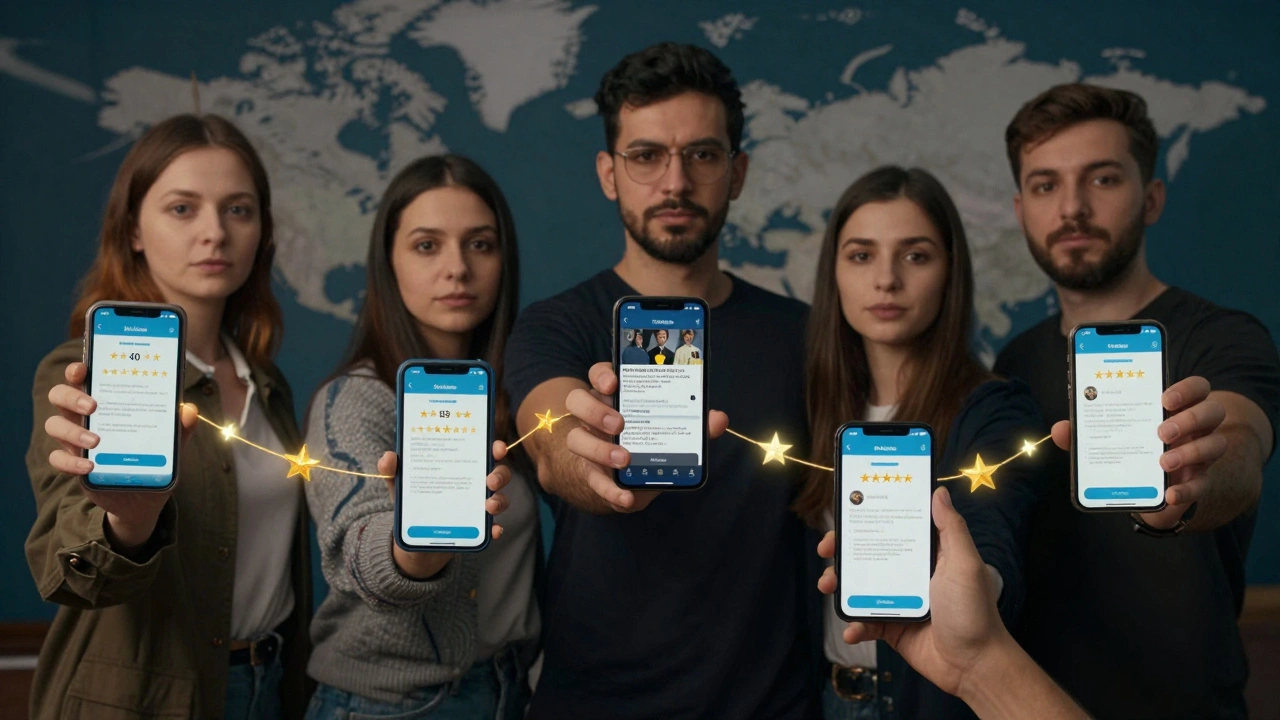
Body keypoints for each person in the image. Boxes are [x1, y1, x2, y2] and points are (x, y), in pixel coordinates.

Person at [501, 42, 819, 718]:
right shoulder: (552, 326)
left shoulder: (807, 335)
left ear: (736, 173)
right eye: (645, 156)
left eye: (702, 155)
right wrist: (600, 464)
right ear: (608, 173)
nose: (674, 183)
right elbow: (550, 442)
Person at [993, 83, 1279, 719]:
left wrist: (1192, 478)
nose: (1072, 208)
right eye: (1045, 186)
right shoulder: (1013, 362)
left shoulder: (1224, 337)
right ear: (1020, 209)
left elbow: (1239, 445)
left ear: (1151, 198)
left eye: (1102, 180)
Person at [26, 114, 313, 719]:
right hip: (140, 702)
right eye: (182, 209)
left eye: (238, 210)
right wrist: (127, 525)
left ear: (262, 231)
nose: (214, 232)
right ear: (133, 229)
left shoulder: (269, 384)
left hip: (271, 684)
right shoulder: (78, 374)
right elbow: (68, 573)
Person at [797, 166, 1045, 719]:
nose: (886, 279)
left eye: (916, 255)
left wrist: (978, 590)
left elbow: (994, 528)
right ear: (833, 272)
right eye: (861, 255)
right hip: (825, 700)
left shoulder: (995, 411)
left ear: (949, 272)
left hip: (931, 703)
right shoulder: (811, 409)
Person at [301, 155, 536, 720]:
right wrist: (414, 549)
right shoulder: (353, 401)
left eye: (480, 244)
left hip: (508, 692)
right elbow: (354, 546)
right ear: (389, 262)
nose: (457, 268)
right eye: (427, 245)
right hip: (386, 705)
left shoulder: (511, 396)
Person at [817, 484, 1091, 720]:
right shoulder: (818, 426)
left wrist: (982, 590)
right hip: (833, 696)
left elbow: (993, 521)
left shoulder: (981, 425)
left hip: (925, 700)